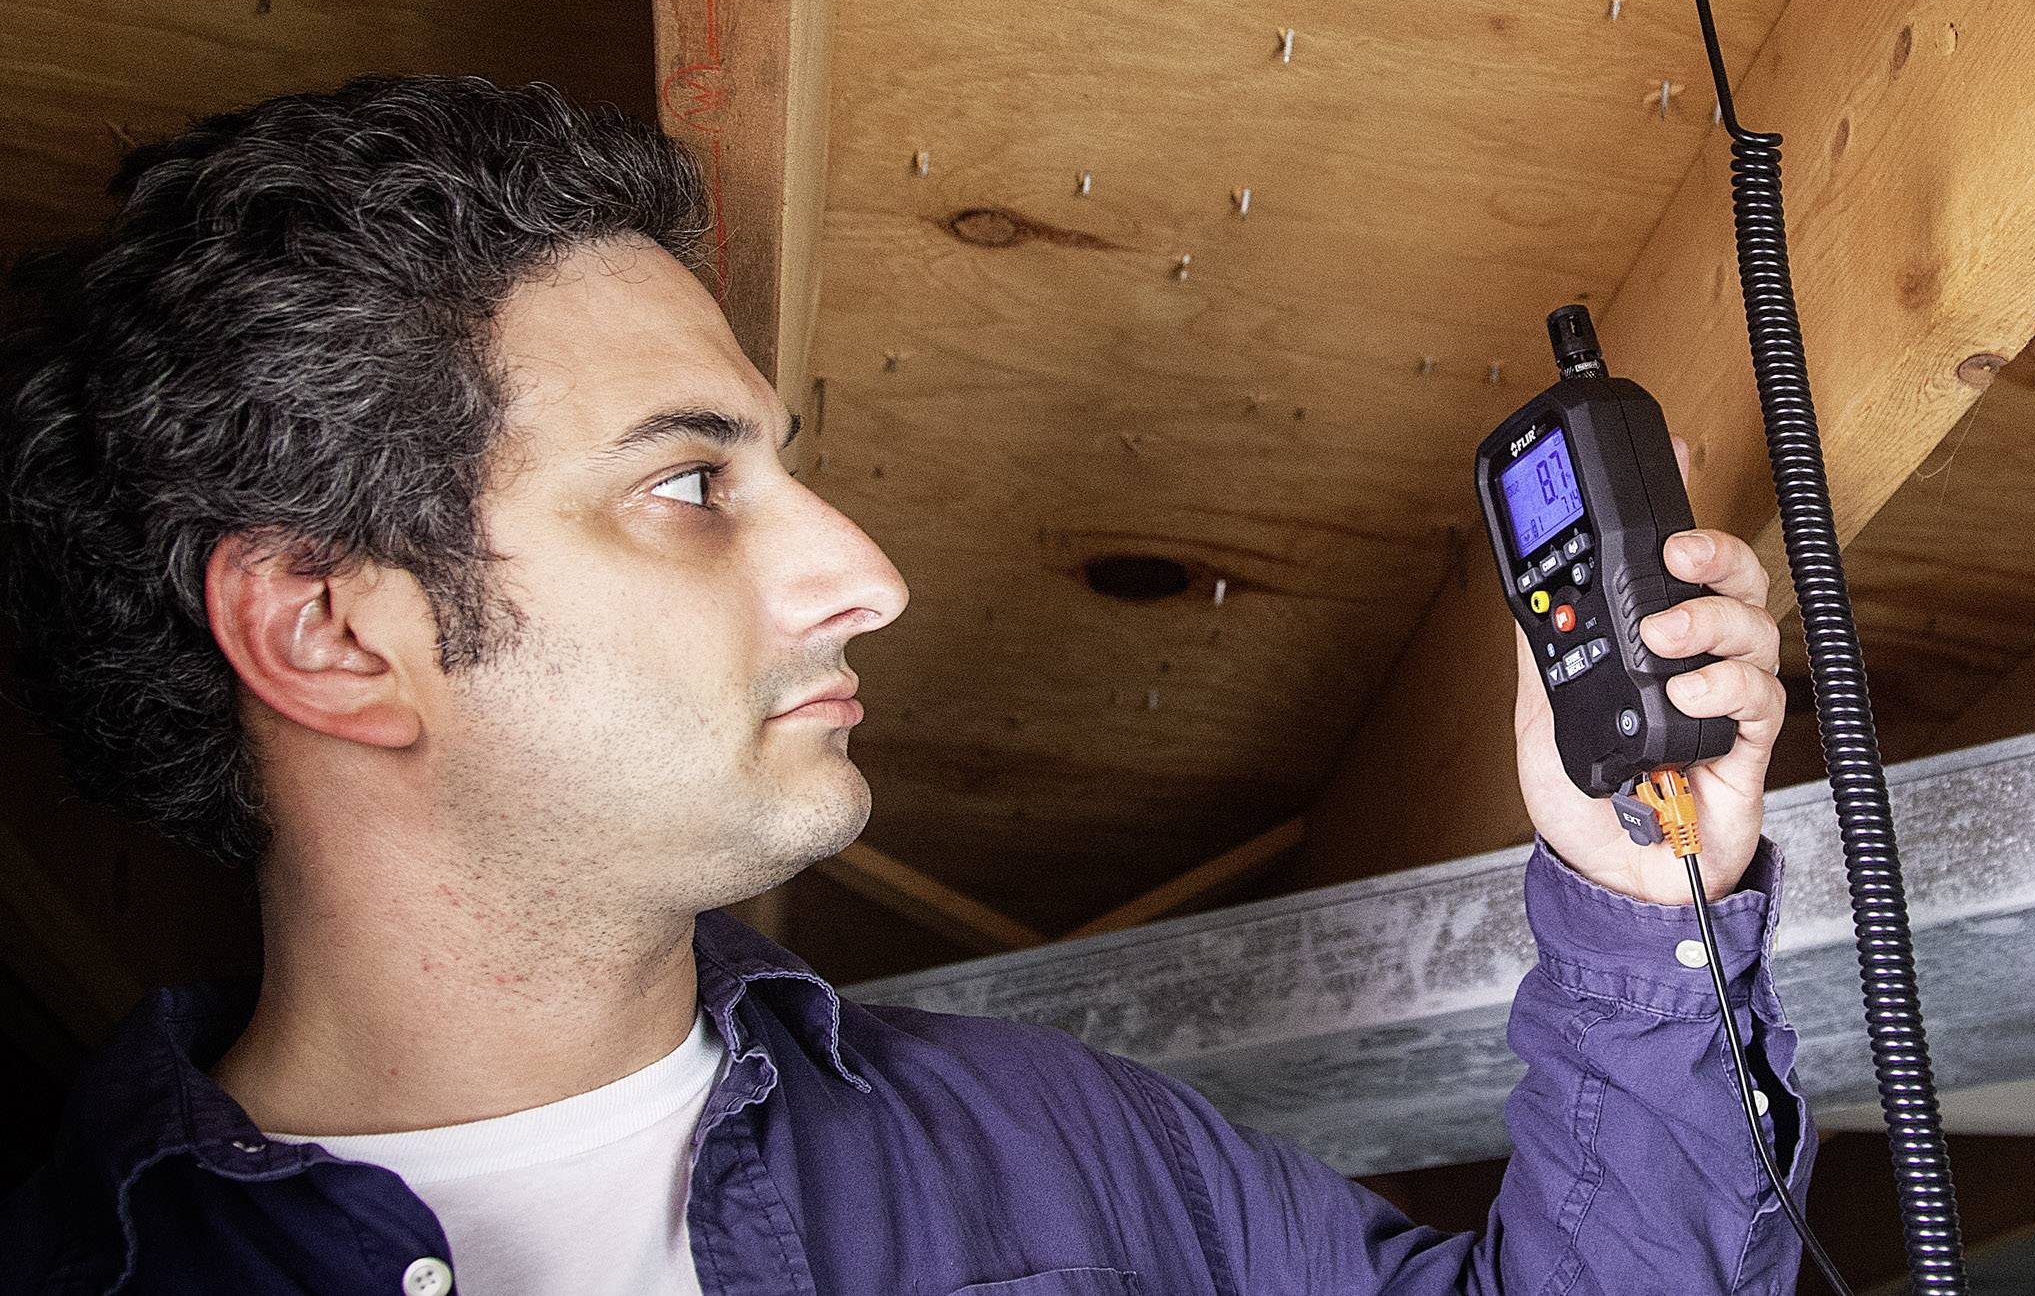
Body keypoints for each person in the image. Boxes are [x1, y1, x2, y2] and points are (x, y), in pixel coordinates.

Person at [0, 76, 1807, 1295]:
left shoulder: (1058, 1153)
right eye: (689, 485)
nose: (866, 576)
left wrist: (1645, 910)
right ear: (327, 631)